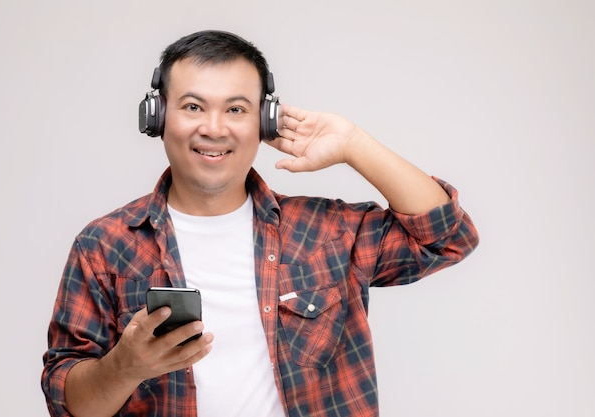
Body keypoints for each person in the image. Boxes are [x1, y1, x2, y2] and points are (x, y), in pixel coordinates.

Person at [41, 30, 479, 417]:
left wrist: (353, 143)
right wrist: (125, 367)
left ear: (264, 123)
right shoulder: (104, 246)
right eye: (193, 106)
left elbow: (449, 237)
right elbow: (69, 404)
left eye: (236, 109)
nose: (213, 128)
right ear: (156, 117)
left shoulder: (328, 232)